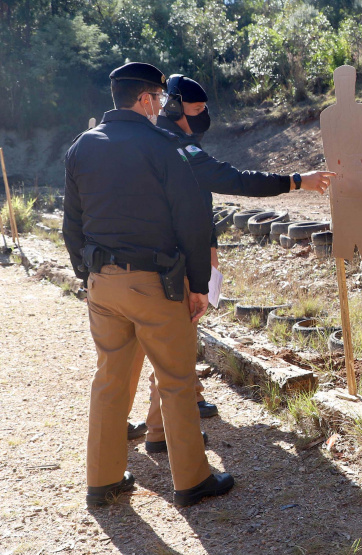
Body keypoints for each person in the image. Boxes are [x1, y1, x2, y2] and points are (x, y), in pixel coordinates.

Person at [124, 74, 334, 453]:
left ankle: (167, 417)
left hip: (157, 259)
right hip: (170, 262)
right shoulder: (174, 146)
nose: (204, 116)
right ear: (172, 107)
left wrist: (210, 252)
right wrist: (297, 180)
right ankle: (164, 429)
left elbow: (197, 204)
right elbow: (232, 180)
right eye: (198, 109)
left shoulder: (160, 141)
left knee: (163, 344)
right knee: (171, 343)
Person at [64, 62, 234, 507]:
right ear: (144, 99)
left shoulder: (82, 146)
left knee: (109, 382)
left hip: (102, 283)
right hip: (155, 284)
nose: (160, 106)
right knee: (176, 379)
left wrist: (88, 278)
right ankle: (192, 481)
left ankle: (102, 482)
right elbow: (192, 221)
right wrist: (199, 285)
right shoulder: (163, 146)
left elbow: (72, 224)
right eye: (157, 99)